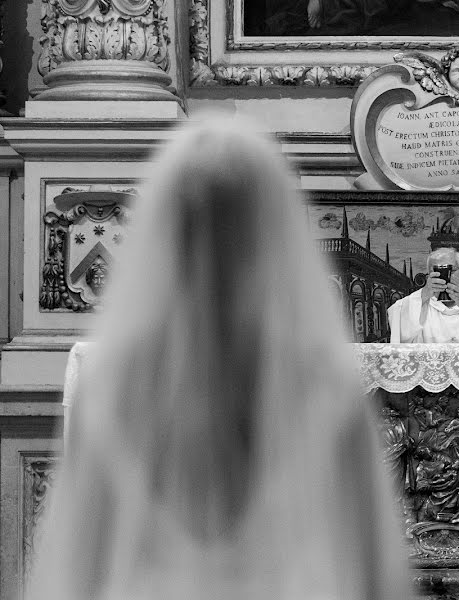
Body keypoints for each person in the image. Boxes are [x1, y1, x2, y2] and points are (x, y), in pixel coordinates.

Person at [27, 118, 412, 600]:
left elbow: (79, 567)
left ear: (165, 235)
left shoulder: (115, 383)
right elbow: (371, 568)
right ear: (272, 234)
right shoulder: (323, 383)